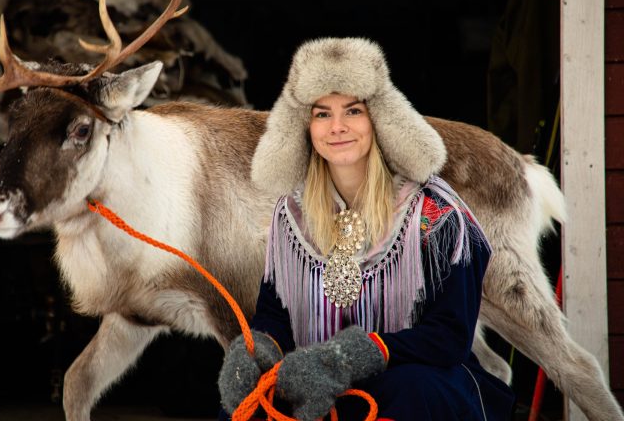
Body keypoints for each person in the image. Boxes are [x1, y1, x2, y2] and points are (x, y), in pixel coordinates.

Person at [217, 37, 515, 421]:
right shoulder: (290, 215)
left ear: (378, 117)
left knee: (415, 391)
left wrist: (350, 356)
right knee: (246, 407)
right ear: (304, 126)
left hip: (413, 379)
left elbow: (449, 337)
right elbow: (276, 315)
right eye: (322, 114)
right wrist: (254, 351)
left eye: (352, 111)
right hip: (317, 383)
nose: (337, 127)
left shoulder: (435, 213)